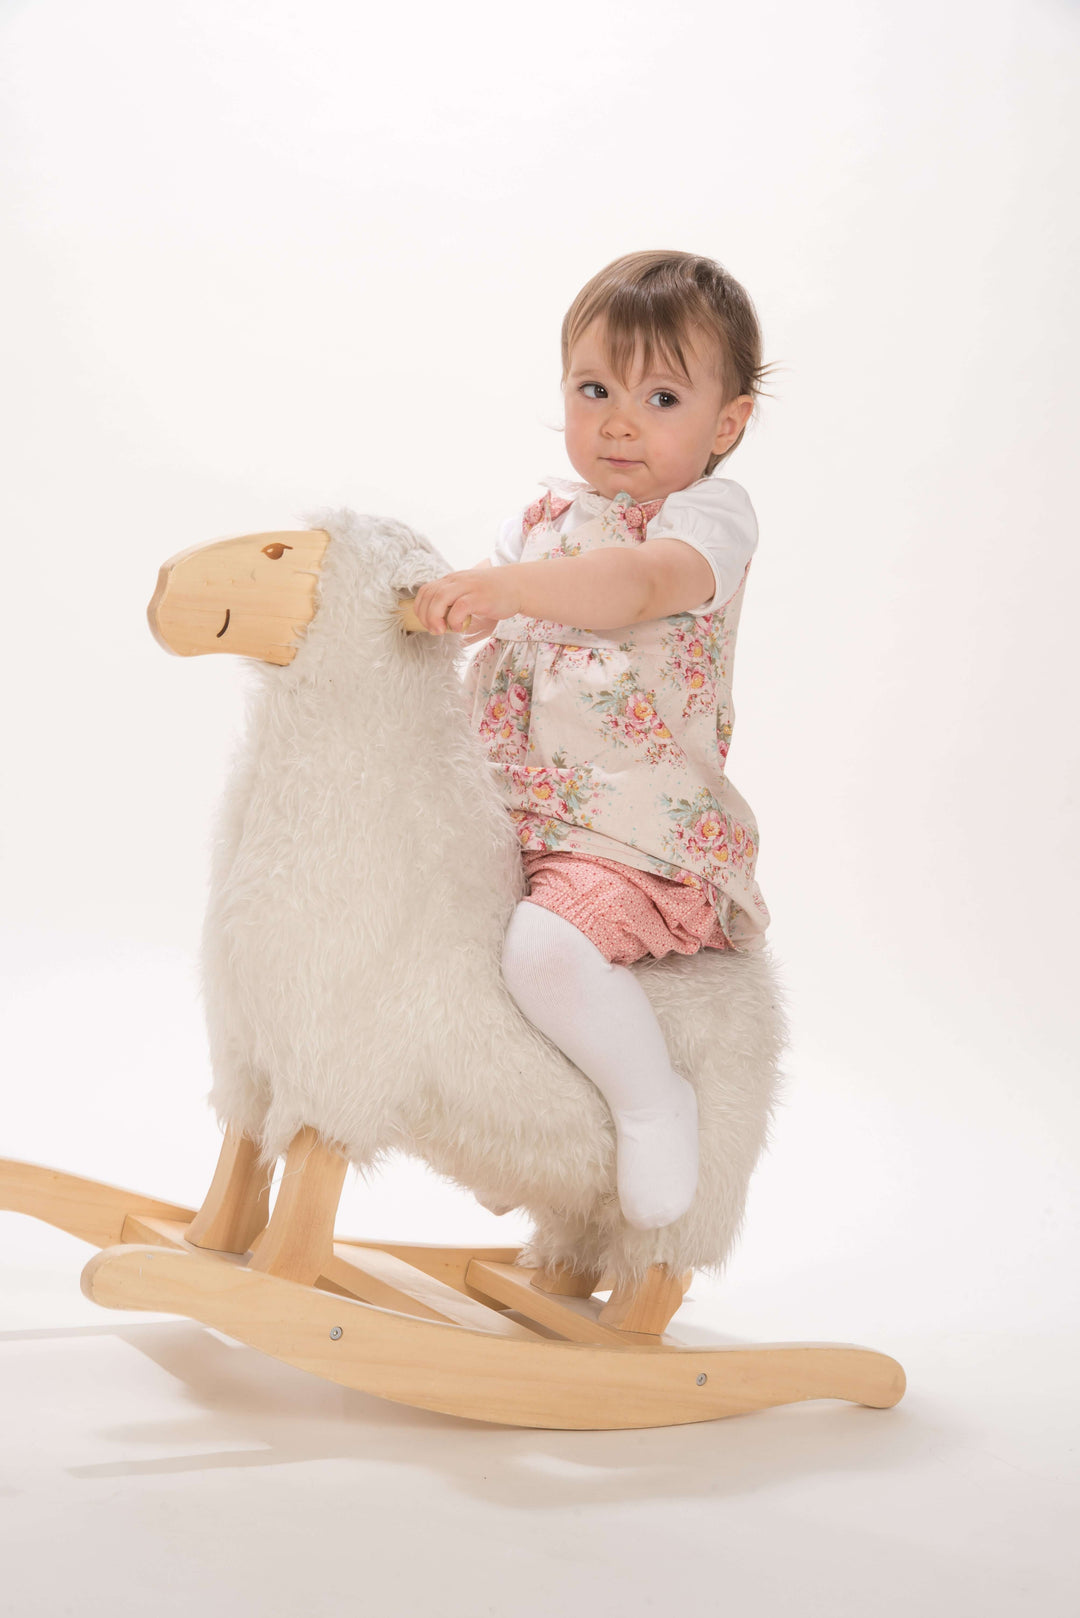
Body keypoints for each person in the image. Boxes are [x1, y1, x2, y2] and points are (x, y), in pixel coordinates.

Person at [411, 249, 773, 1231]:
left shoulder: (702, 521)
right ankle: (519, 1120)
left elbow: (633, 587)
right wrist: (428, 609)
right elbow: (475, 616)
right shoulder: (538, 523)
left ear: (727, 423)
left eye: (662, 398)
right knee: (427, 929)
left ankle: (655, 1105)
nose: (618, 420)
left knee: (545, 949)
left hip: (628, 825)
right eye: (594, 389)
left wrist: (507, 589)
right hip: (510, 809)